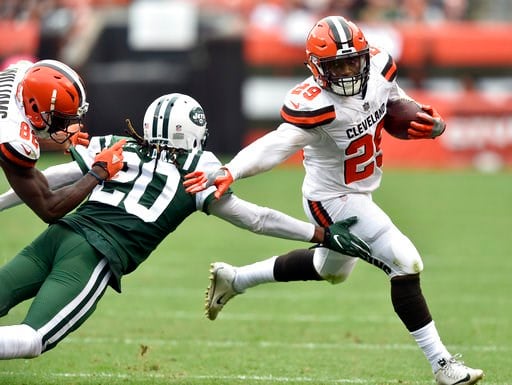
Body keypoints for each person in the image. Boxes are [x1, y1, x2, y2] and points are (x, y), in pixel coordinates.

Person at [183, 16, 483, 385]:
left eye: (352, 61)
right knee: (405, 261)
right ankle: (443, 366)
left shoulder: (379, 68)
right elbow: (276, 145)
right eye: (335, 65)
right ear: (316, 68)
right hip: (332, 197)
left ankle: (236, 279)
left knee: (331, 271)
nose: (346, 71)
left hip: (360, 189)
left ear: (364, 56)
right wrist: (233, 170)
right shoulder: (313, 104)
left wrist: (429, 123)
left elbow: (395, 104)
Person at [0, 93, 371, 359]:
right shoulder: (200, 171)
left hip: (55, 236)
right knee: (33, 339)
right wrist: (320, 233)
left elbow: (49, 180)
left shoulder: (118, 145)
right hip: (94, 256)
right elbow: (257, 218)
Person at [0, 58, 125, 223]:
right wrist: (97, 173)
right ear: (35, 107)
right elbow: (49, 208)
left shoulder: (23, 74)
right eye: (60, 119)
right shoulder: (12, 137)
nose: (66, 126)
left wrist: (55, 133)